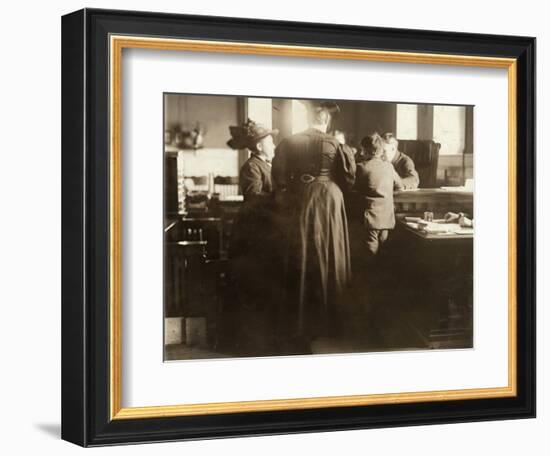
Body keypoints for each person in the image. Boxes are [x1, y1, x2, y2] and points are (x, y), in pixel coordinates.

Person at [272, 101, 356, 350]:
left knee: (302, 254)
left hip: (300, 200)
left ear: (308, 118)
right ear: (326, 121)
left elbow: (277, 177)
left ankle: (299, 321)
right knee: (329, 252)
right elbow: (348, 178)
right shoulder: (334, 143)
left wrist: (294, 189)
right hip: (328, 200)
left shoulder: (289, 142)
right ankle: (329, 321)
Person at [226, 119, 279, 355]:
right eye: (270, 140)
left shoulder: (267, 165)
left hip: (265, 232)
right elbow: (255, 200)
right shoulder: (252, 167)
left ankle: (264, 340)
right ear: (258, 146)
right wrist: (281, 196)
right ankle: (250, 344)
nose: (274, 144)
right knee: (254, 286)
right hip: (253, 235)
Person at [355, 133, 404, 257]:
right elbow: (400, 186)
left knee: (370, 252)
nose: (361, 153)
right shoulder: (389, 166)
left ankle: (370, 274)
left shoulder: (361, 168)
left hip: (371, 217)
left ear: (367, 151)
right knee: (383, 250)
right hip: (387, 217)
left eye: (363, 150)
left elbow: (354, 188)